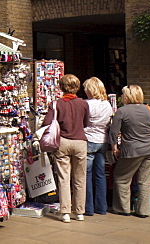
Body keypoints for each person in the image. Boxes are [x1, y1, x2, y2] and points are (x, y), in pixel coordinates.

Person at [109, 84, 150, 218]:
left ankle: (122, 209)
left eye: (123, 94)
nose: (121, 97)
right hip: (149, 150)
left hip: (131, 151)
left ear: (128, 96)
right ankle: (143, 211)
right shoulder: (149, 109)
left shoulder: (122, 111)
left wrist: (114, 148)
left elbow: (113, 133)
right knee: (144, 182)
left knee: (121, 179)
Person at [42, 73, 90, 223]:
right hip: (80, 142)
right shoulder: (83, 103)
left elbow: (46, 123)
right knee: (80, 178)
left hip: (62, 142)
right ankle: (80, 211)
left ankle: (65, 212)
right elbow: (86, 123)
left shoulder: (57, 104)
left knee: (64, 178)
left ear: (61, 87)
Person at [83, 77, 113, 216]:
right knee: (100, 174)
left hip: (88, 139)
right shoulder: (107, 105)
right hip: (102, 141)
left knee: (87, 175)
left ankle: (88, 208)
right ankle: (101, 207)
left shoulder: (86, 104)